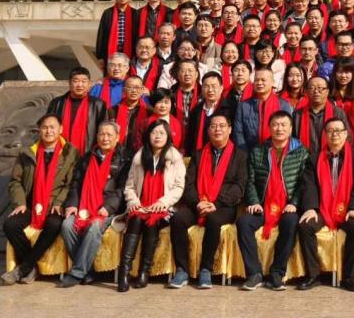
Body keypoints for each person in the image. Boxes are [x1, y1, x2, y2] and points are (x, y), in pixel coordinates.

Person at [169, 113, 248, 289]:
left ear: (230, 130)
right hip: (198, 203)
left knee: (213, 219)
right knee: (178, 219)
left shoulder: (240, 156)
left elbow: (239, 187)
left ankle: (206, 269)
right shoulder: (199, 155)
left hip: (223, 205)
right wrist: (197, 202)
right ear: (208, 130)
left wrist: (216, 203)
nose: (217, 129)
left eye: (222, 126)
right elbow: (189, 184)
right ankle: (182, 270)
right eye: (213, 126)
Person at [1, 113, 78, 285]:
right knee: (10, 225)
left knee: (54, 224)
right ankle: (31, 266)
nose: (48, 131)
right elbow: (15, 181)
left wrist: (59, 202)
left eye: (52, 127)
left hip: (54, 205)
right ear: (39, 130)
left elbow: (71, 183)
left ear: (61, 129)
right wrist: (20, 203)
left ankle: (24, 268)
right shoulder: (27, 153)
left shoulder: (70, 153)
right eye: (44, 127)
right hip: (31, 204)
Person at [237, 111, 311, 291]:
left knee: (291, 222)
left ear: (291, 128)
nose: (279, 129)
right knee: (244, 222)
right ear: (269, 128)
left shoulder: (301, 152)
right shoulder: (258, 152)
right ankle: (254, 274)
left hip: (288, 206)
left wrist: (294, 203)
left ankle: (277, 273)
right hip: (263, 205)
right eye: (275, 125)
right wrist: (254, 201)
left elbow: (304, 183)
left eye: (284, 125)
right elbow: (250, 181)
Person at [297, 117, 354, 292]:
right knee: (305, 226)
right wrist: (311, 208)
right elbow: (309, 185)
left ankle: (348, 277)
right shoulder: (314, 158)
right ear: (325, 135)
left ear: (345, 134)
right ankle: (313, 275)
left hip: (348, 207)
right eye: (330, 131)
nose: (334, 134)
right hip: (322, 207)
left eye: (338, 130)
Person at [58, 121, 130, 287]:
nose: (105, 138)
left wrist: (108, 206)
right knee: (67, 225)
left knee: (94, 226)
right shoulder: (86, 158)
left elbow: (123, 188)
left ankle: (77, 273)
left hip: (108, 209)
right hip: (84, 205)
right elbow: (76, 184)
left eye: (109, 135)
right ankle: (88, 271)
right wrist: (72, 204)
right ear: (96, 136)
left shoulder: (125, 158)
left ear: (117, 137)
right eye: (101, 134)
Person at [118, 118, 185, 291]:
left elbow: (179, 187)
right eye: (154, 132)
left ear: (168, 136)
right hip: (141, 205)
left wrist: (163, 202)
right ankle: (124, 272)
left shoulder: (175, 158)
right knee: (136, 219)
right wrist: (134, 202)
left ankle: (144, 271)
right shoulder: (139, 157)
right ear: (148, 135)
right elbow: (129, 186)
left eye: (162, 133)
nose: (157, 136)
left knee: (151, 222)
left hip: (163, 208)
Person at [47, 67, 107, 155]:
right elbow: (48, 127)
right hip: (59, 153)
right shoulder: (57, 103)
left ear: (89, 84)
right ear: (69, 83)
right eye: (76, 81)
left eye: (84, 81)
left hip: (88, 154)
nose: (80, 85)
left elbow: (104, 131)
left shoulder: (98, 105)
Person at [234, 68, 293, 151]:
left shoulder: (283, 105)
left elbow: (287, 132)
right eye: (256, 80)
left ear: (272, 82)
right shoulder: (243, 106)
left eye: (263, 80)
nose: (259, 83)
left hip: (276, 153)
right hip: (249, 153)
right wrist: (246, 154)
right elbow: (238, 133)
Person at [107, 75, 150, 152]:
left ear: (142, 90)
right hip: (117, 152)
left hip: (141, 152)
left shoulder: (149, 111)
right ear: (124, 90)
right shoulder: (113, 110)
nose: (134, 91)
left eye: (137, 87)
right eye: (130, 87)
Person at [95, 0, 136, 64]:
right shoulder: (108, 13)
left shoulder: (135, 13)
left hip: (130, 50)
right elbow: (101, 34)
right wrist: (99, 56)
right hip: (111, 49)